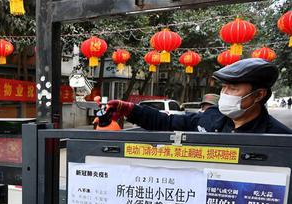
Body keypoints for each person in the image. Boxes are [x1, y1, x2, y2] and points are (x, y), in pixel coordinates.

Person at [103, 58, 291, 134]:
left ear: (258, 95)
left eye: (233, 88)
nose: (224, 93)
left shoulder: (279, 137)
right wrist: (128, 109)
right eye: (223, 87)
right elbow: (166, 123)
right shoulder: (211, 117)